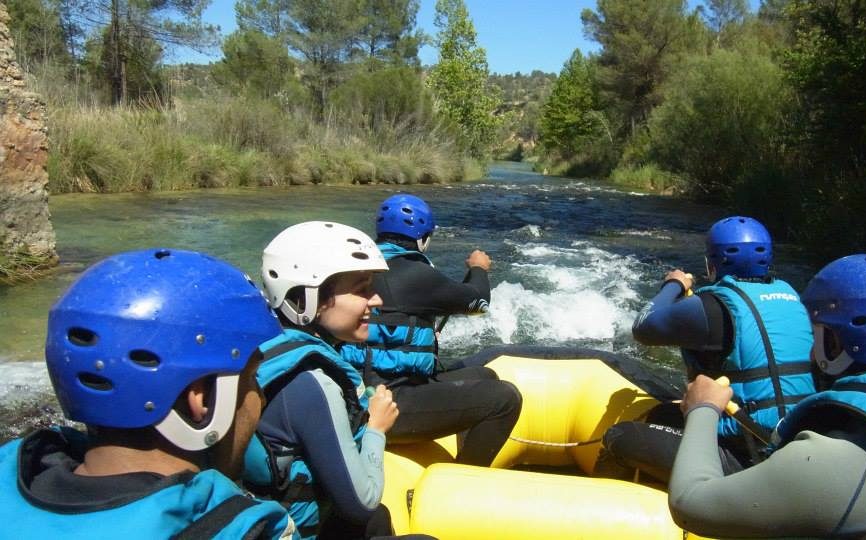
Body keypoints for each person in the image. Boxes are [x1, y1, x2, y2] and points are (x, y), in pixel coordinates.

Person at [0, 248, 297, 539]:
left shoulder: (19, 473)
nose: (261, 397)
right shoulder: (247, 530)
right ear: (200, 398)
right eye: (253, 380)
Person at [669, 254, 866, 538]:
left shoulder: (837, 461)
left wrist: (702, 408)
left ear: (834, 343)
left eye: (813, 332)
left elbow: (689, 504)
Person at [601, 216, 815, 483]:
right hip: (797, 445)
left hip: (744, 453)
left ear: (711, 264)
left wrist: (674, 284)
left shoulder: (710, 306)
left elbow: (642, 327)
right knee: (660, 415)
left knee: (620, 436)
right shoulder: (796, 299)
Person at [340, 193, 522, 467]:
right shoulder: (418, 273)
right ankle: (462, 482)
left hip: (374, 388)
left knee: (486, 374)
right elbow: (479, 302)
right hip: (385, 405)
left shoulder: (358, 266)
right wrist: (478, 268)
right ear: (423, 239)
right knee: (505, 399)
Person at [246, 221, 401, 540]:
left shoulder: (262, 347)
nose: (376, 301)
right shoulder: (312, 382)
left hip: (269, 517)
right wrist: (376, 429)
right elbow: (363, 503)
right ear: (305, 298)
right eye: (361, 289)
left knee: (379, 522)